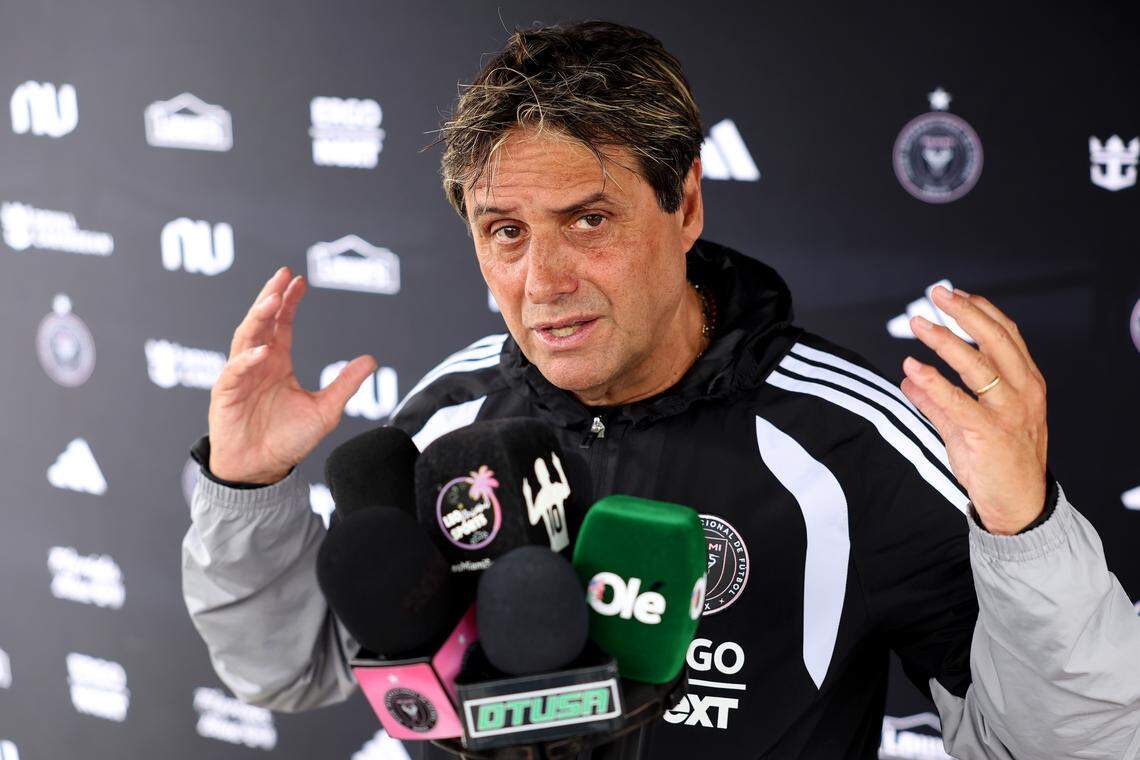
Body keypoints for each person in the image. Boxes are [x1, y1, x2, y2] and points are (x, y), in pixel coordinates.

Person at [180, 20, 1140, 759]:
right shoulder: (449, 417)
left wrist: (1026, 531)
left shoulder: (850, 441)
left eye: (588, 219)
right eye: (504, 231)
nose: (543, 281)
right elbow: (288, 669)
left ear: (685, 205)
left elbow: (1072, 745)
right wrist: (247, 491)